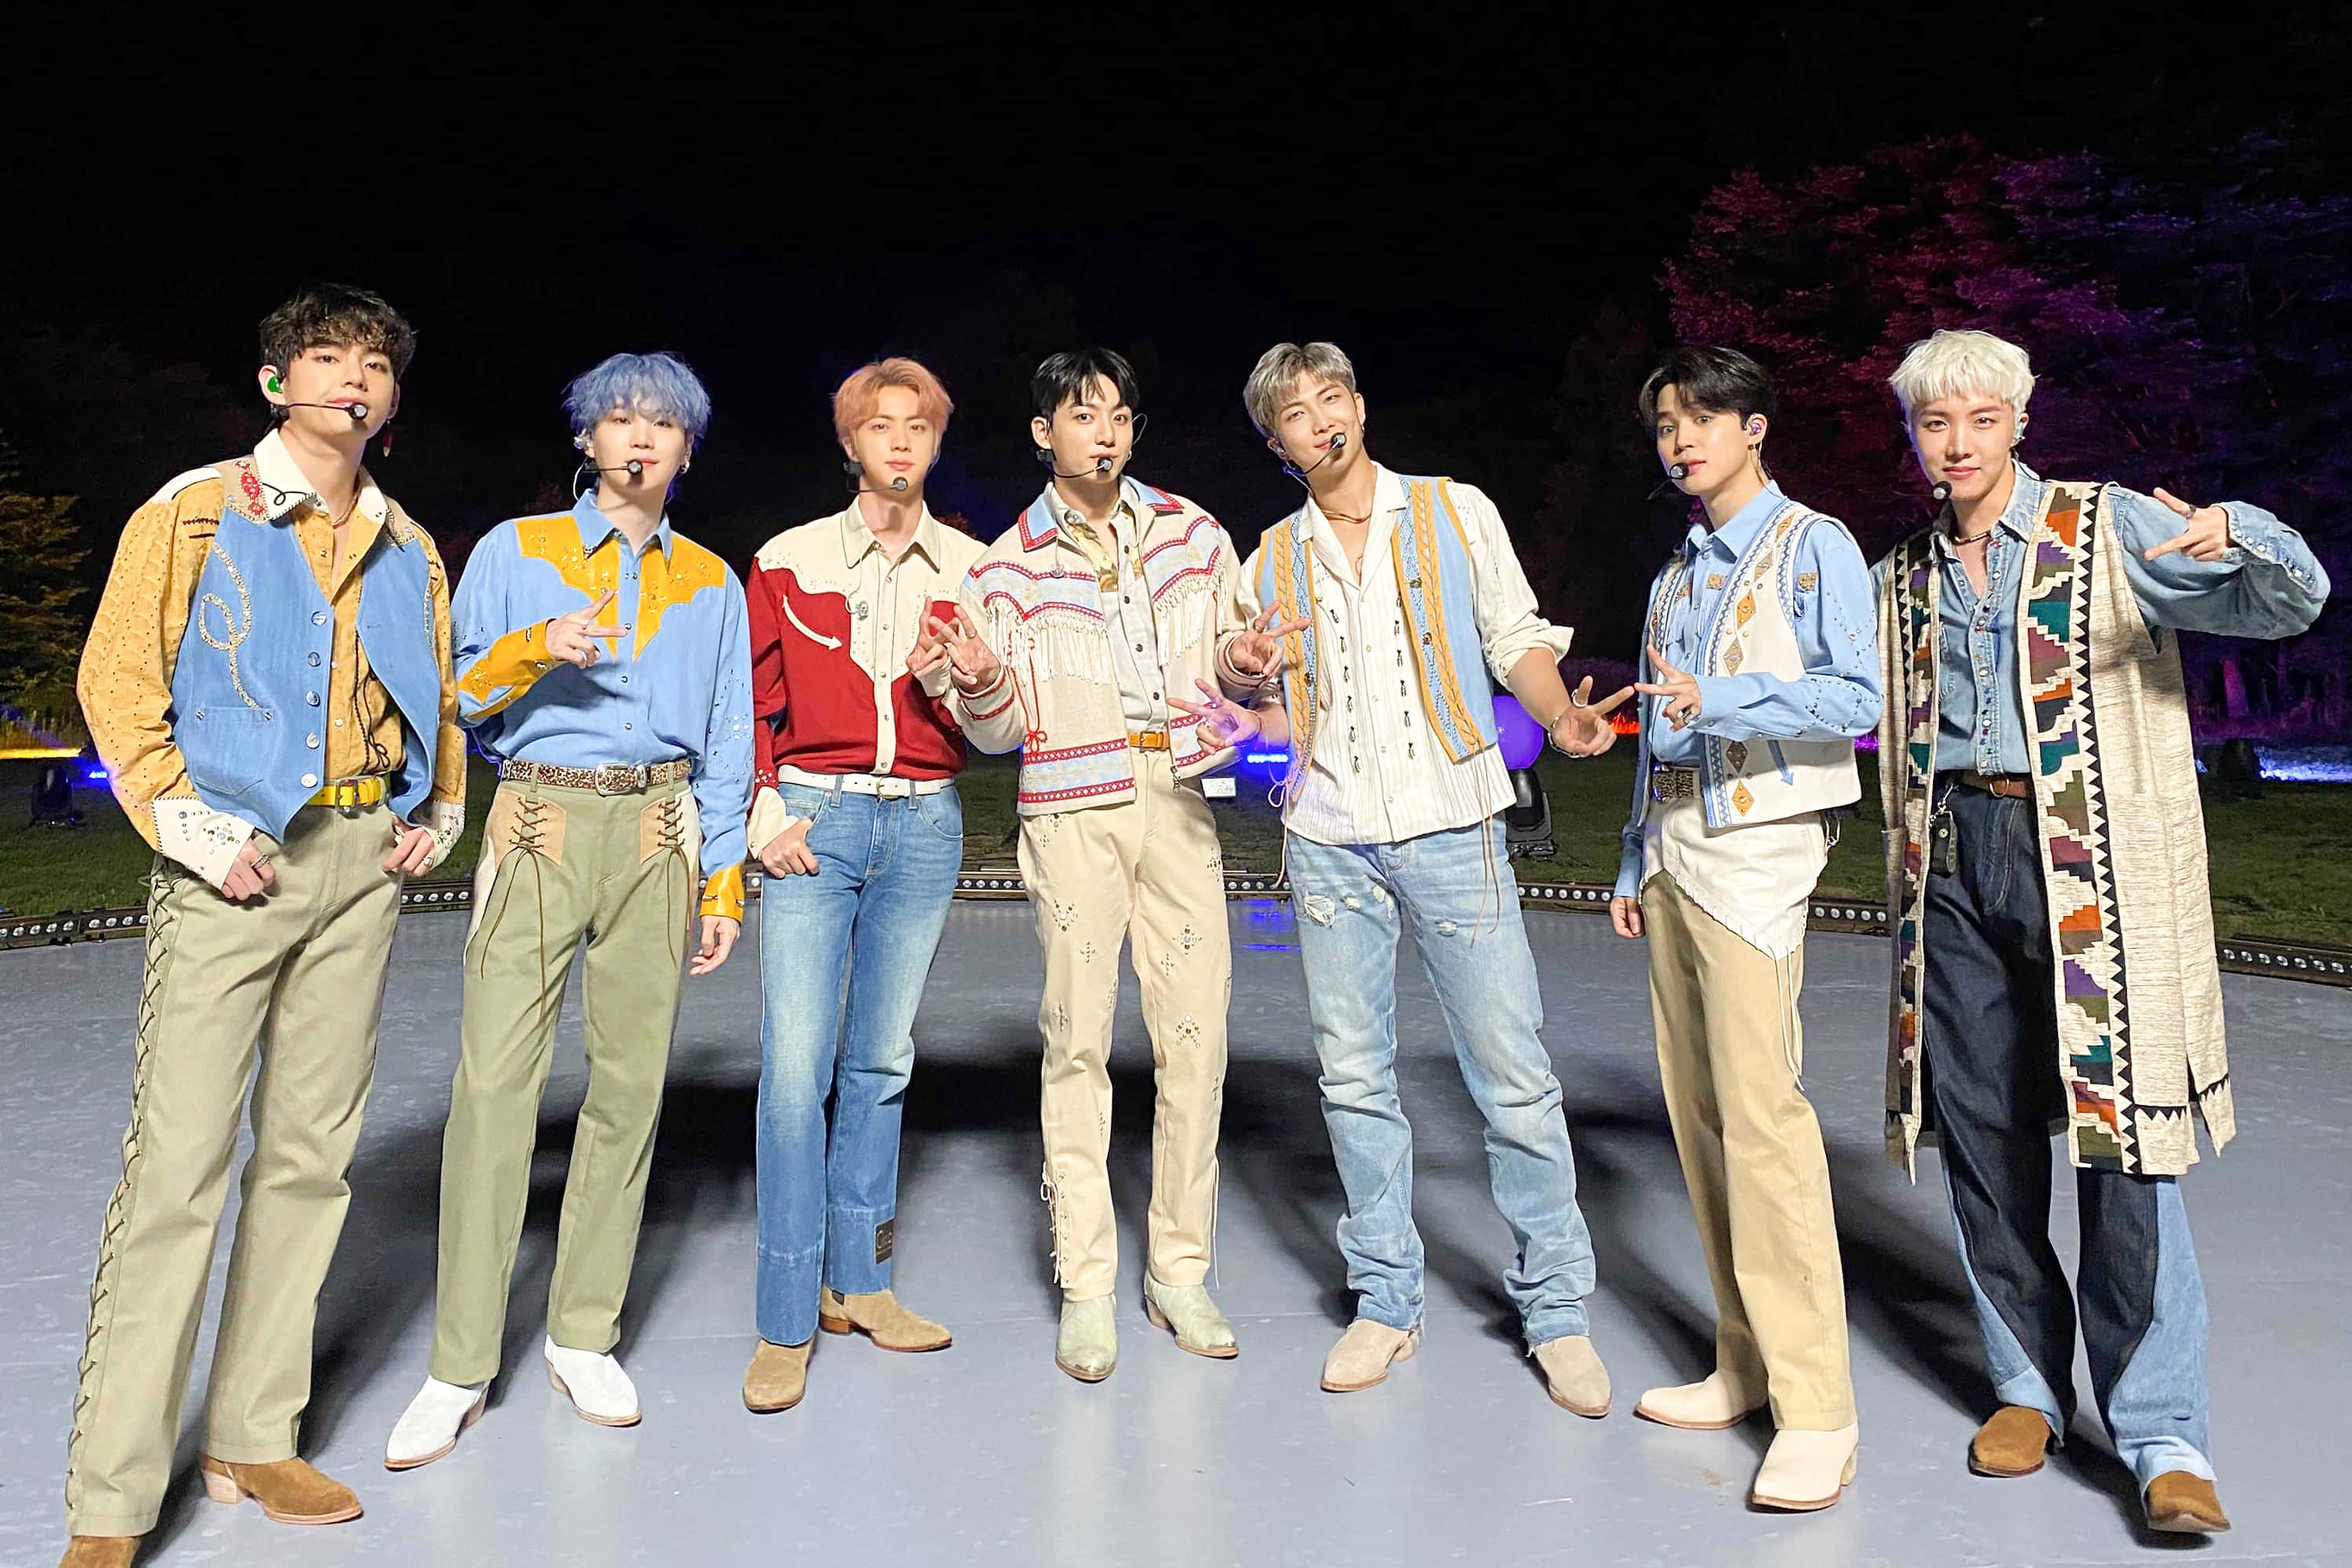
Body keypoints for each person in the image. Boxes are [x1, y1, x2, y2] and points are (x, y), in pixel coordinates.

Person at [1874, 328, 2330, 1536]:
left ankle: (2162, 1433)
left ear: (2018, 422)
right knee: (1982, 1131)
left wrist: (2242, 532)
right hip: (1952, 861)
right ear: (1915, 434)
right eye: (1935, 422)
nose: (1959, 443)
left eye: (1981, 419)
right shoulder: (1904, 572)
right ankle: (2026, 1385)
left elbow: (2290, 604)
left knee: (2124, 1134)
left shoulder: (2105, 526)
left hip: (2092, 865)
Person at [63, 284, 463, 1568]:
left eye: (377, 365)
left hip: (360, 865)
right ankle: (112, 1502)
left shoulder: (410, 545)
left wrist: (434, 809)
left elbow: (438, 696)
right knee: (176, 1174)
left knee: (309, 1161)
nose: (355, 378)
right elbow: (117, 683)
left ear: (392, 397)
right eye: (327, 357)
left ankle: (255, 1436)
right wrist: (193, 829)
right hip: (232, 863)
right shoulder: (193, 512)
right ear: (277, 383)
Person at [1194, 340, 1622, 1409]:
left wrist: (1560, 711)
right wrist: (1246, 691)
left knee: (1513, 1073)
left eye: (1332, 395)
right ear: (1277, 443)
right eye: (1296, 411)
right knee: (1352, 1079)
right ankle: (1386, 1300)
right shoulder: (1267, 561)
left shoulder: (1452, 509)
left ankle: (1557, 1310)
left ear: (1360, 403)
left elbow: (1514, 638)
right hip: (1329, 837)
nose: (1321, 417)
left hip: (1451, 826)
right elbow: (1267, 707)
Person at [385, 351, 753, 1468]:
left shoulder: (712, 581)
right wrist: (536, 648)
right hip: (540, 823)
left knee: (630, 1091)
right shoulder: (516, 550)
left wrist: (722, 880)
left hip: (658, 834)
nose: (640, 438)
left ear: (687, 451)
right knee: (494, 1089)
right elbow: (456, 699)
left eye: (663, 425)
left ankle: (584, 1335)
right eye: (619, 420)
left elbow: (728, 738)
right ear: (587, 441)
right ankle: (459, 1363)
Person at [1606, 346, 1879, 1510]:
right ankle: (1745, 1362)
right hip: (1676, 851)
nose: (1681, 439)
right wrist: (1634, 851)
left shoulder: (1813, 544)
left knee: (1765, 1123)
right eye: (1668, 423)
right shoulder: (1674, 575)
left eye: (1702, 418)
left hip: (1761, 853)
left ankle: (1819, 1410)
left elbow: (1857, 697)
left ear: (1755, 427)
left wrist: (1717, 699)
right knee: (1704, 1120)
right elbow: (1661, 730)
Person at [953, 348, 1243, 1382]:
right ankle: (1086, 1283)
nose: (1106, 432)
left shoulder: (1194, 533)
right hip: (1074, 807)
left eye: (1119, 414)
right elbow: (994, 731)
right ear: (1045, 434)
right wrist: (979, 681)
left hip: (1179, 798)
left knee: (1197, 1039)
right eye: (1084, 416)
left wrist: (1248, 667)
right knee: (1077, 1043)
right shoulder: (1004, 567)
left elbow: (1239, 665)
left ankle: (1179, 1271)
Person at [734, 358, 985, 1414]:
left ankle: (862, 1283)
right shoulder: (787, 560)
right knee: (797, 1068)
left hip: (924, 823)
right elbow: (750, 703)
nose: (900, 442)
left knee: (881, 1062)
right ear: (850, 444)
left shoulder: (976, 569)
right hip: (815, 818)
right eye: (880, 426)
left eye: (917, 426)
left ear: (935, 442)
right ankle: (786, 1317)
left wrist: (968, 682)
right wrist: (763, 813)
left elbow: (997, 727)